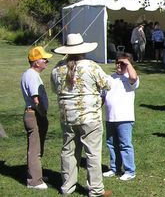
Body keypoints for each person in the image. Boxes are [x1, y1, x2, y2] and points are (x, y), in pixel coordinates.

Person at [50, 33, 112, 196]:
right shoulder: (91, 66)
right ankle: (96, 189)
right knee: (92, 153)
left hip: (67, 116)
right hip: (89, 116)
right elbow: (107, 84)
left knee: (69, 151)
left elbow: (54, 89)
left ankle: (67, 186)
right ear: (83, 49)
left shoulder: (57, 68)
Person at [102, 52, 139, 181]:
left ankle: (130, 170)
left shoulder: (130, 78)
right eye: (117, 62)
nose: (119, 65)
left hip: (124, 117)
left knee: (125, 144)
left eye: (122, 63)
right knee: (111, 144)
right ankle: (114, 168)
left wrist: (127, 64)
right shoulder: (109, 78)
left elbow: (134, 78)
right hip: (110, 117)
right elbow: (103, 96)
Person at [21, 46, 53, 189]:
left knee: (37, 148)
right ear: (35, 62)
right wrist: (42, 114)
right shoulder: (32, 75)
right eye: (43, 59)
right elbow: (36, 99)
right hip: (34, 114)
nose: (46, 60)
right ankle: (34, 181)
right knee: (35, 149)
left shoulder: (31, 74)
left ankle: (36, 174)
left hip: (34, 114)